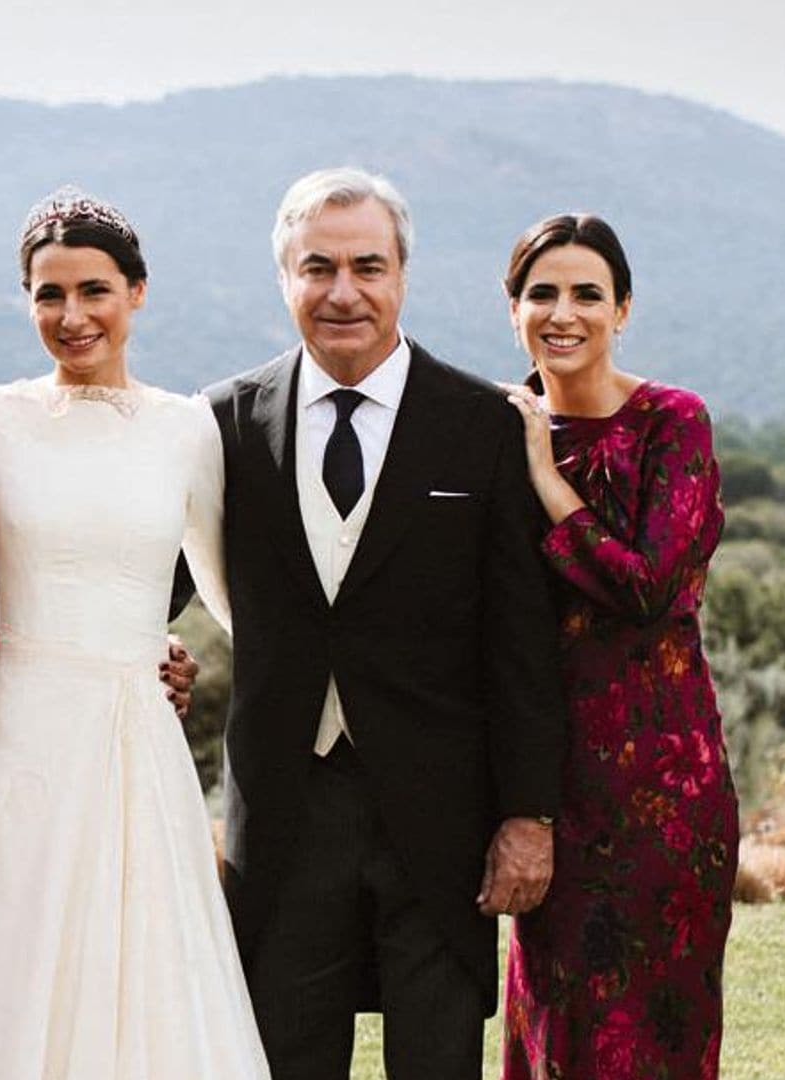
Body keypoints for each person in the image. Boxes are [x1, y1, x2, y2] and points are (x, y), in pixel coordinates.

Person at [203, 167, 569, 1080]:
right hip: (284, 809)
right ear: (283, 278)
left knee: (439, 1060)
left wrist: (528, 813)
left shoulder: (483, 424)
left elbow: (520, 638)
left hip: (442, 811)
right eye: (316, 267)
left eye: (367, 265)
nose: (343, 292)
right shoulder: (223, 425)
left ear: (403, 274)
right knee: (286, 1057)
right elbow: (139, 579)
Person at [0, 189, 269, 1079]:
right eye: (48, 294)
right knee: (5, 961)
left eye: (95, 291)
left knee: (146, 968)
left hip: (135, 740)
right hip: (21, 737)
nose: (72, 317)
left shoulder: (187, 429)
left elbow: (234, 602)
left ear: (137, 293)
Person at [498, 213, 737, 1079]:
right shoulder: (493, 432)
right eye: (542, 293)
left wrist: (545, 481)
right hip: (544, 788)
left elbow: (649, 589)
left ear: (623, 309)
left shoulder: (673, 422)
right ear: (512, 307)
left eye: (587, 294)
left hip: (665, 791)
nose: (564, 313)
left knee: (657, 1033)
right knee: (556, 1029)